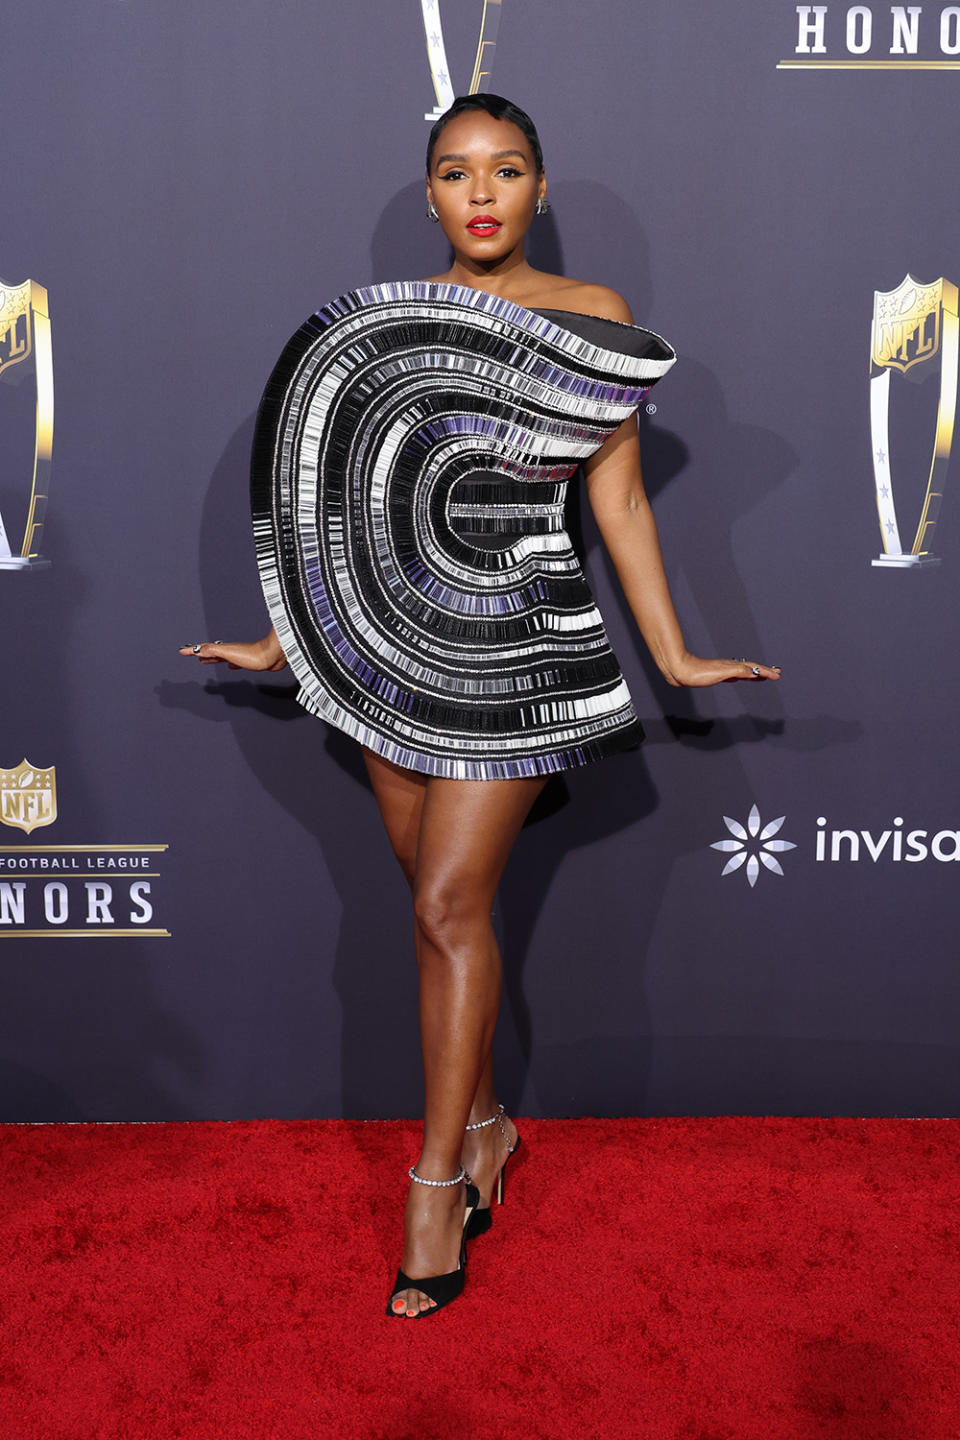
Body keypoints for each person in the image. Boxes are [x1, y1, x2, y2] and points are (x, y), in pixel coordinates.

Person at [181, 93, 780, 1320]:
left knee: (452, 905)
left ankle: (435, 1187)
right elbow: (333, 496)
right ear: (432, 195)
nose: (483, 191)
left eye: (507, 170)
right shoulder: (383, 327)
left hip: (525, 640)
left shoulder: (594, 318)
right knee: (434, 907)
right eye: (457, 173)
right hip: (396, 637)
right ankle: (494, 1128)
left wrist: (671, 653)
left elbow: (615, 502)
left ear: (539, 191)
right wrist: (295, 636)